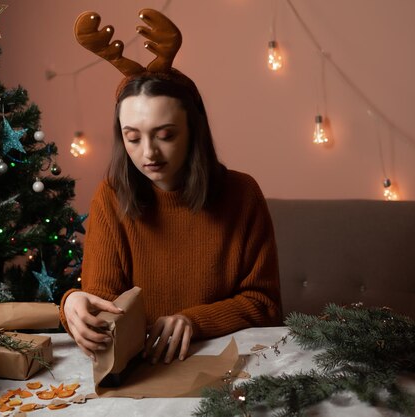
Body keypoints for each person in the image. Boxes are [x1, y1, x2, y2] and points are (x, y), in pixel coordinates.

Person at [60, 8, 282, 365]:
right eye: (132, 138)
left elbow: (265, 304)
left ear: (194, 131)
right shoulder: (111, 196)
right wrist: (71, 302)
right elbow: (103, 300)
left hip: (224, 363)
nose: (148, 153)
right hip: (143, 368)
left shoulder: (242, 195)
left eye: (165, 135)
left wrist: (193, 321)